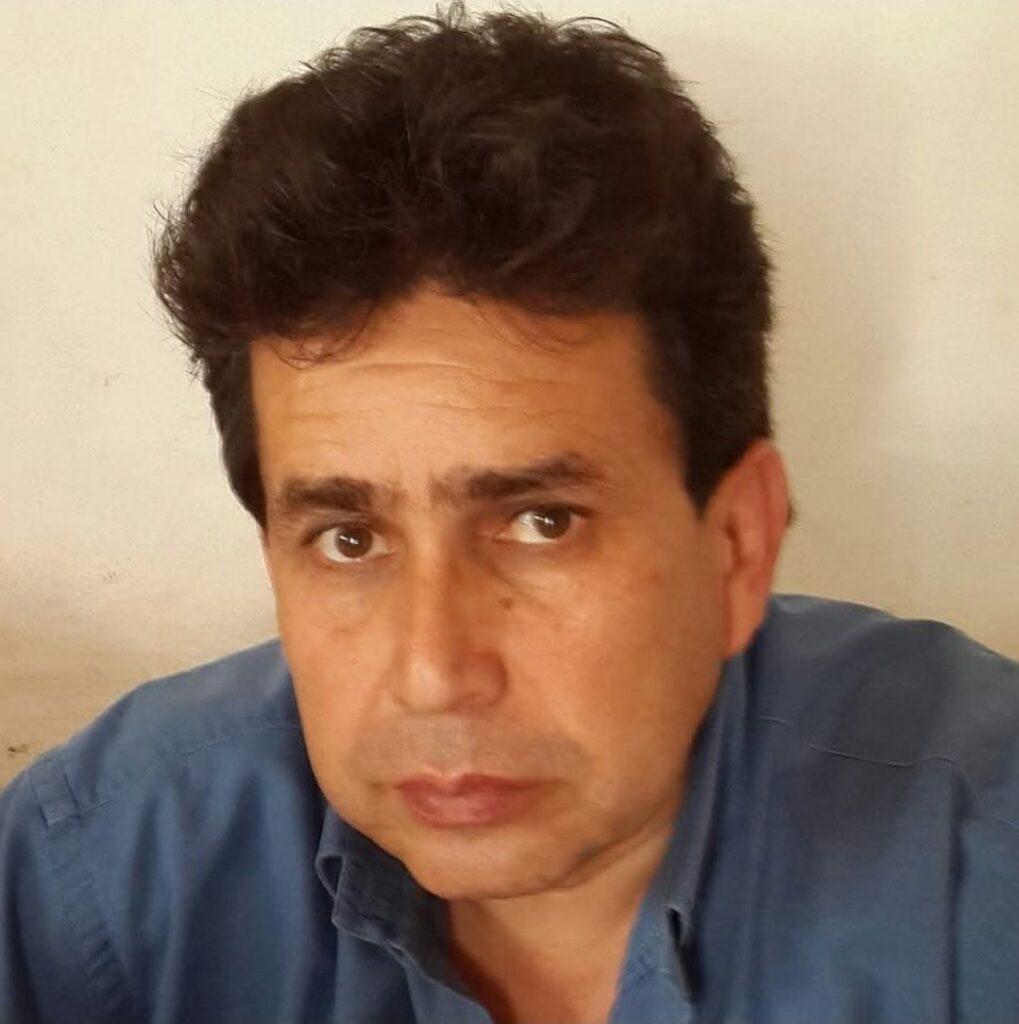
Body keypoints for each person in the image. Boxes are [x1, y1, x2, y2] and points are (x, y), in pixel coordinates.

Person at [2, 3, 1017, 1021]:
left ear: (736, 544)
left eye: (542, 523)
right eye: (349, 539)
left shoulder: (977, 867)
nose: (433, 674)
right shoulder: (103, 869)